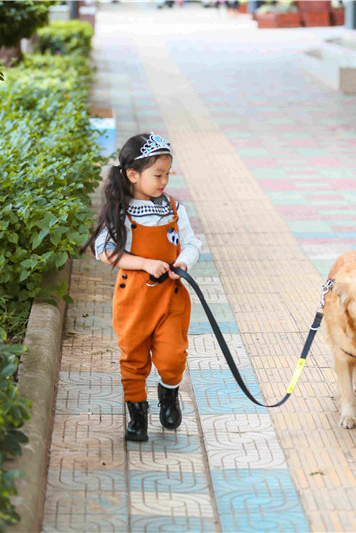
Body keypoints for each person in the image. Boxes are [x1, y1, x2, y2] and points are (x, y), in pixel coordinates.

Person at [82, 132, 202, 442]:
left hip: (171, 297)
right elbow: (104, 250)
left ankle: (169, 394)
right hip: (133, 299)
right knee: (133, 358)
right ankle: (137, 415)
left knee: (173, 356)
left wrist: (183, 262)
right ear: (133, 175)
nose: (164, 181)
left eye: (167, 174)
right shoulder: (121, 211)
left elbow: (192, 243)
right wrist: (145, 263)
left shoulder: (174, 208)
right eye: (157, 175)